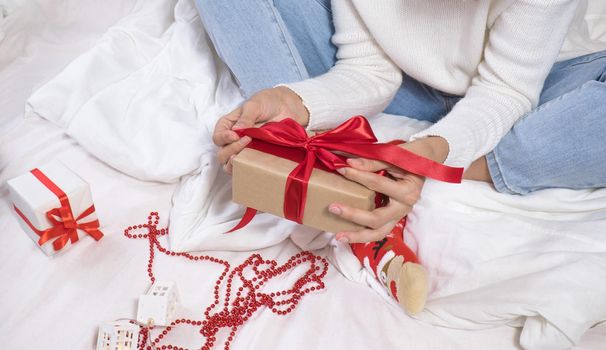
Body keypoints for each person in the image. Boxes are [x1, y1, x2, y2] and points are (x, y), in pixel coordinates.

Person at [194, 0, 606, 313]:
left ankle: (380, 171)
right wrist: (296, 101)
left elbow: (507, 91)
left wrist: (430, 156)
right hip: (406, 87)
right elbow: (368, 69)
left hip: (541, 84)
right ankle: (347, 172)